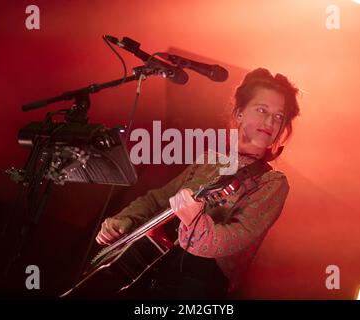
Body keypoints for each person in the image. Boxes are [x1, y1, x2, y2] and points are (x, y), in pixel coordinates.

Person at [95, 67, 301, 299]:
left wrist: (195, 221)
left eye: (278, 116)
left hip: (197, 284)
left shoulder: (272, 182)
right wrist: (124, 220)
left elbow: (235, 238)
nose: (270, 121)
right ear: (240, 113)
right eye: (262, 109)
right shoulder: (209, 159)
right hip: (149, 264)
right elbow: (157, 199)